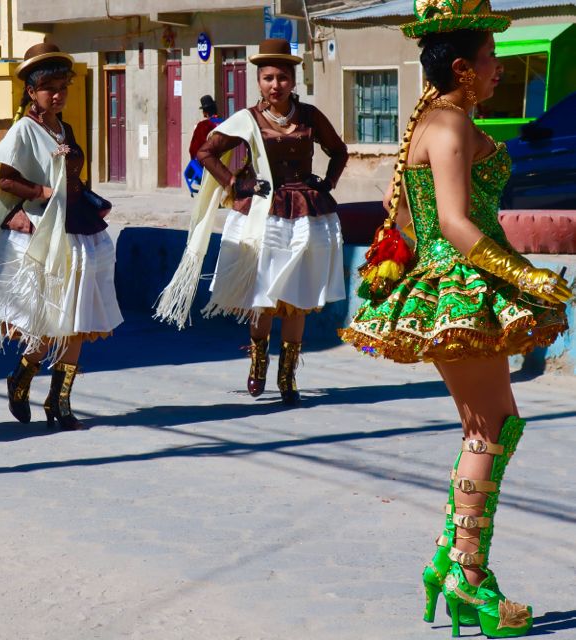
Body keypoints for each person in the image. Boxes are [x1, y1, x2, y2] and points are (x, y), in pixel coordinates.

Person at [341, 2, 572, 636]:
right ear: (466, 69)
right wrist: (526, 276)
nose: (501, 70)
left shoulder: (442, 120)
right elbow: (453, 223)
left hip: (460, 286)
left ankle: (456, 560)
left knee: (492, 427)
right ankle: (466, 575)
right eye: (494, 61)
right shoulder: (446, 127)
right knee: (489, 430)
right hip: (460, 290)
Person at [156, 38, 348, 406]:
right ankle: (259, 360)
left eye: (282, 78)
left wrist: (327, 183)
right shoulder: (247, 118)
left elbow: (338, 150)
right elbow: (206, 152)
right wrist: (234, 183)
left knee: (298, 298)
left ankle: (288, 375)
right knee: (264, 298)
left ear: (293, 81)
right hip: (265, 214)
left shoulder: (309, 116)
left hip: (306, 213)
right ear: (259, 81)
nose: (275, 85)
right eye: (268, 78)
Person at [0, 43, 122, 430]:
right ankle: (22, 375)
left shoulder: (64, 129)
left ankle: (59, 402)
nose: (57, 94)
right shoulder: (23, 130)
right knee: (48, 324)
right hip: (47, 230)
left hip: (79, 225)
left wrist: (88, 196)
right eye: (49, 87)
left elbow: (69, 175)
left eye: (63, 87)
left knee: (76, 319)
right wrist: (39, 194)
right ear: (31, 91)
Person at [188, 95, 223, 160]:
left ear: (205, 112)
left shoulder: (203, 125)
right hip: (224, 158)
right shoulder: (224, 123)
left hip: (208, 162)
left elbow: (193, 149)